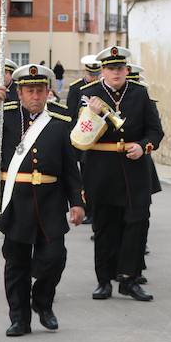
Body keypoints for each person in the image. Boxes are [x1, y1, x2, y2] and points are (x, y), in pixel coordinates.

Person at [0, 64, 84, 336]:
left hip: (50, 202)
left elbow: (70, 167)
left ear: (48, 92)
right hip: (17, 202)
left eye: (40, 90)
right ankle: (19, 318)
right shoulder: (5, 116)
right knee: (16, 264)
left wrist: (77, 202)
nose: (35, 96)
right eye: (29, 91)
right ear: (20, 94)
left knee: (55, 258)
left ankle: (43, 303)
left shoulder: (60, 121)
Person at [75, 46, 163, 302]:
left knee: (137, 223)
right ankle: (104, 280)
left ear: (126, 70)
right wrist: (93, 114)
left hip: (135, 170)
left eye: (120, 68)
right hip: (101, 169)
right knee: (105, 227)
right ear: (103, 70)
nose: (116, 73)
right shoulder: (87, 94)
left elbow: (155, 131)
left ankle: (130, 279)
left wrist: (143, 146)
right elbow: (77, 135)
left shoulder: (139, 93)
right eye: (111, 68)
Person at [66, 55, 101, 225]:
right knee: (78, 175)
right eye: (90, 73)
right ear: (85, 71)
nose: (93, 77)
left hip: (94, 137)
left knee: (91, 175)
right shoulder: (76, 88)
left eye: (96, 73)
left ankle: (93, 210)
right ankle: (83, 207)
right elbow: (70, 114)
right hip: (78, 136)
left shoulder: (101, 88)